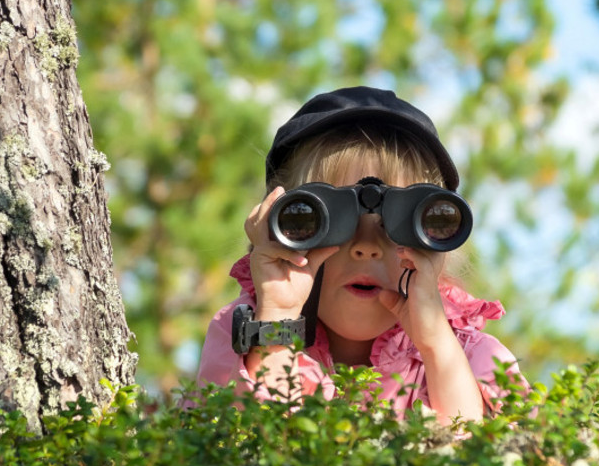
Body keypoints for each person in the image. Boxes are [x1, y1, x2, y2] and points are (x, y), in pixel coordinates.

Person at [196, 86, 528, 424]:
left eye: (394, 224)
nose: (366, 246)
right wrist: (277, 320)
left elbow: (482, 460)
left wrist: (437, 344)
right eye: (332, 221)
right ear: (280, 229)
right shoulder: (246, 334)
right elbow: (248, 457)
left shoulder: (475, 357)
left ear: (431, 237)